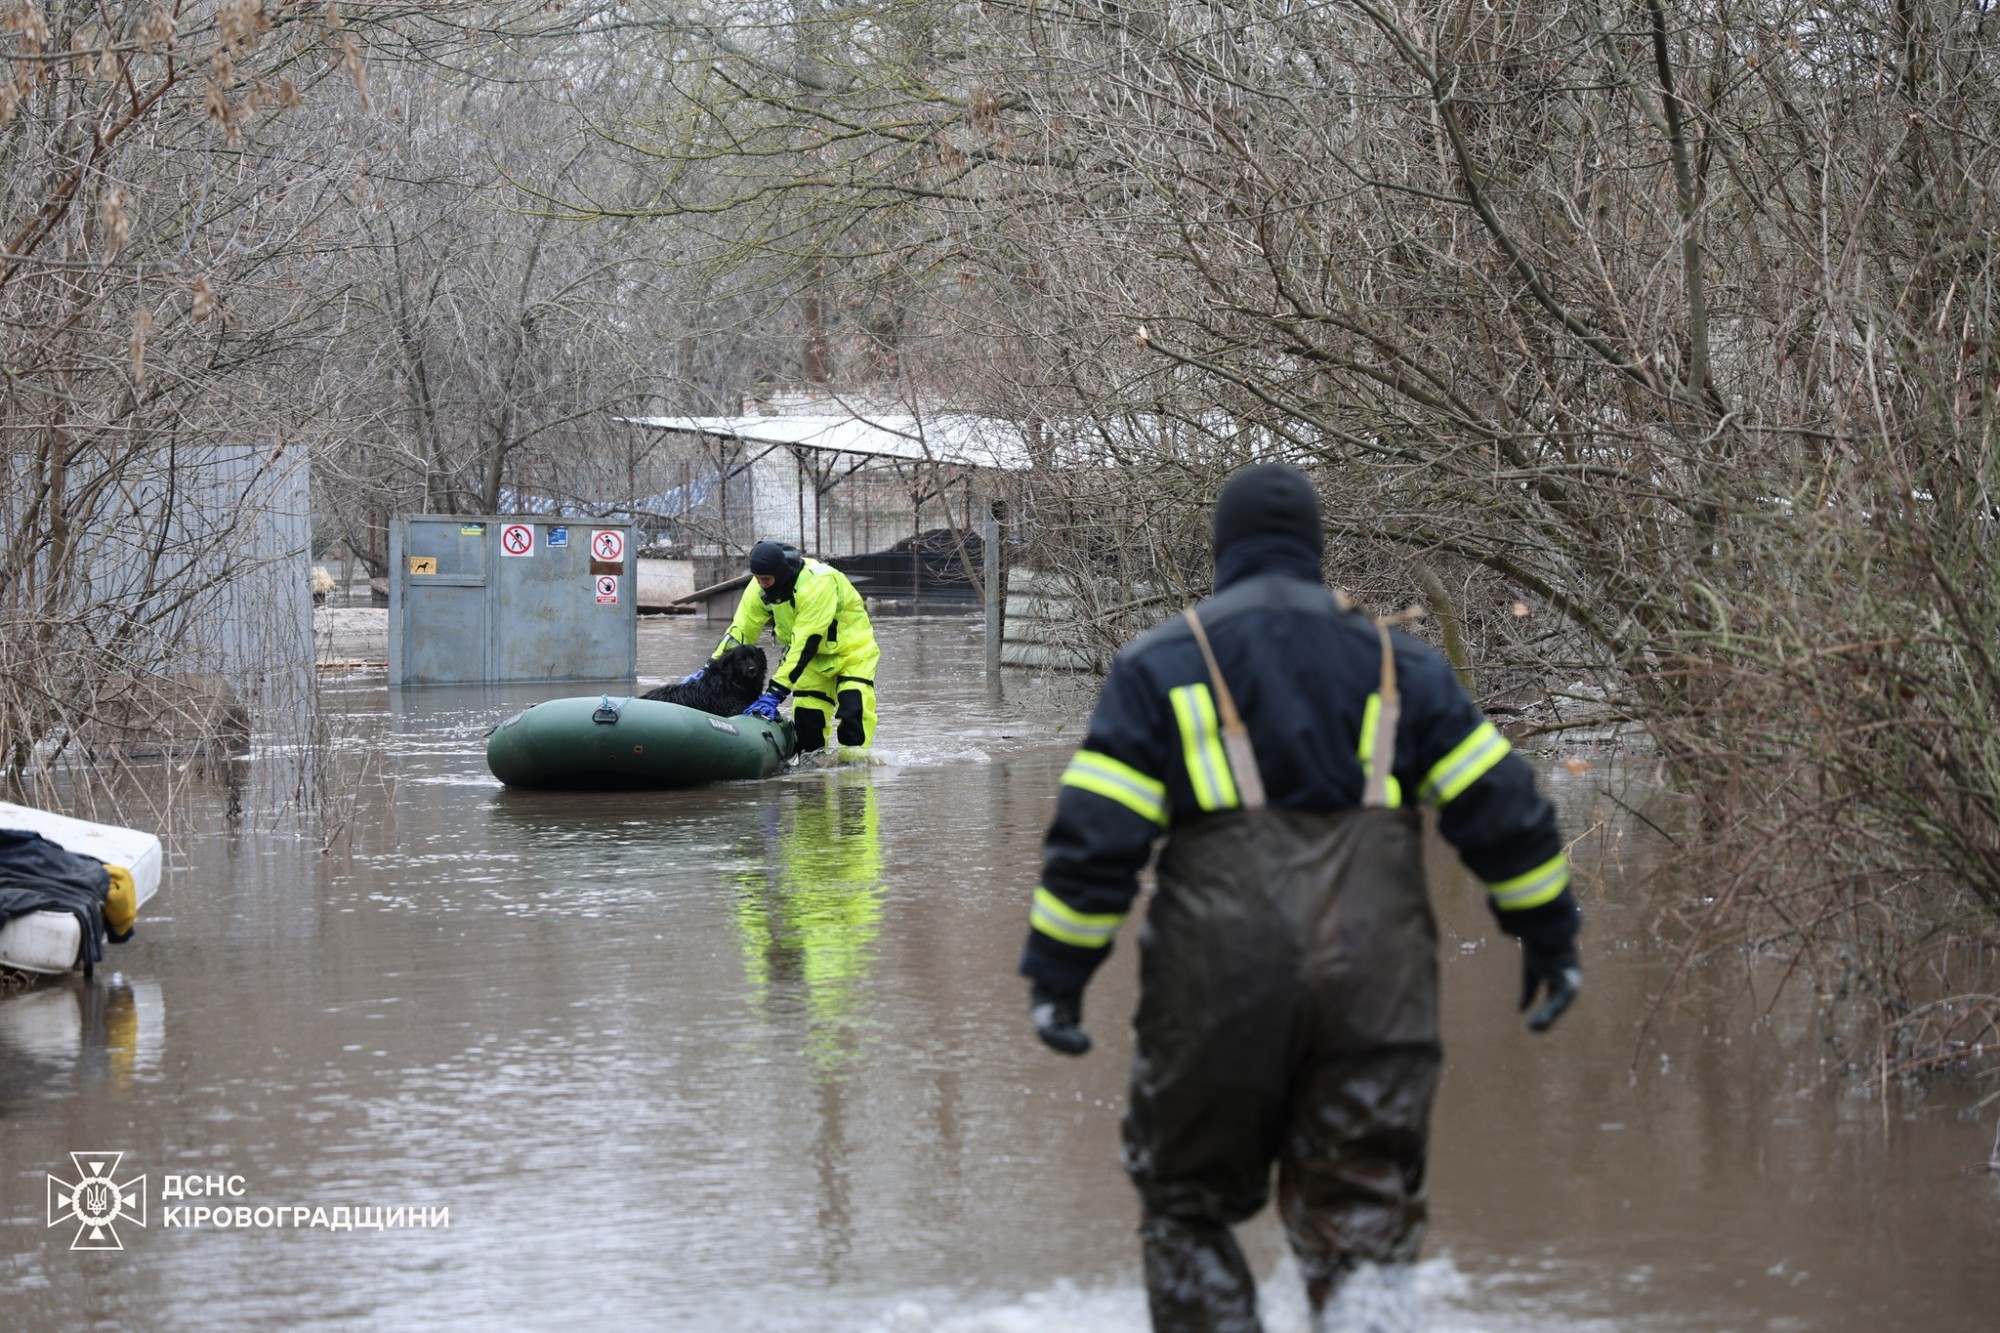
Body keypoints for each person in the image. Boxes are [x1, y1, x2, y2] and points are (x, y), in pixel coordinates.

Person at [1018, 462, 1581, 1332]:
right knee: (1363, 1220)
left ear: (1222, 551)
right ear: (1316, 551)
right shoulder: (1403, 666)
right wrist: (1550, 937)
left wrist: (1058, 976)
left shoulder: (1162, 664)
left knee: (1187, 1205)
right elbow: (1507, 809)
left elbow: (1095, 842)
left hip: (1216, 989)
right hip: (1377, 988)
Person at [709, 541, 880, 753]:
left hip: (852, 652)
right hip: (811, 660)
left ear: (780, 575)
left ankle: (856, 776)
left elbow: (806, 640)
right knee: (808, 725)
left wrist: (774, 693)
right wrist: (711, 667)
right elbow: (741, 631)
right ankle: (815, 780)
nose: (761, 584)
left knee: (854, 713)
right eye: (757, 579)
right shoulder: (760, 586)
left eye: (766, 580)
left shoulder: (817, 584)